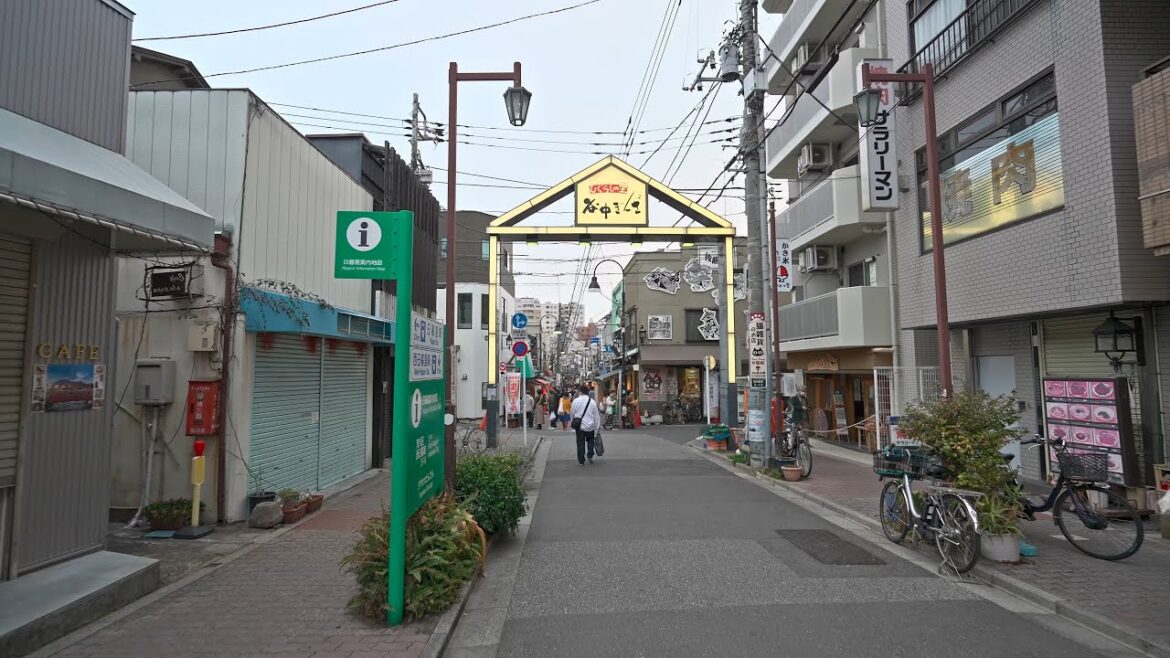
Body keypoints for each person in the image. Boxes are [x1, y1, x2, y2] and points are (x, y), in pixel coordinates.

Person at [570, 384, 601, 465]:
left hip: (579, 426)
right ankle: (590, 455)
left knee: (580, 443)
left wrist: (572, 421)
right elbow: (596, 415)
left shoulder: (575, 401)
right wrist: (597, 427)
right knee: (591, 441)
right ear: (587, 392)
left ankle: (581, 460)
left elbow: (572, 413)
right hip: (590, 426)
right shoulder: (592, 402)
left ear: (580, 392)